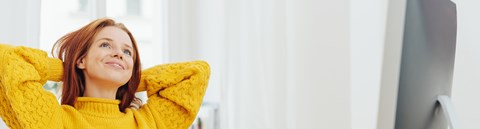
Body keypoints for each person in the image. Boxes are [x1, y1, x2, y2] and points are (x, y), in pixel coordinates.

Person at [0, 18, 210, 129]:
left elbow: (196, 73)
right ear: (82, 60)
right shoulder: (54, 121)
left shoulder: (148, 122)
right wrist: (68, 69)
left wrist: (130, 79)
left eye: (127, 52)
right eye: (105, 45)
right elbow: (6, 58)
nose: (119, 53)